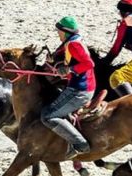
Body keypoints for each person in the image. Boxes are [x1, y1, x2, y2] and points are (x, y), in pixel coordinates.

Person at [41, 16, 96, 159]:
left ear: (65, 32)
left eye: (59, 31)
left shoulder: (73, 44)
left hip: (80, 90)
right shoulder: (72, 42)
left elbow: (89, 64)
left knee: (48, 116)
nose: (58, 34)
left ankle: (80, 144)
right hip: (79, 85)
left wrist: (69, 70)